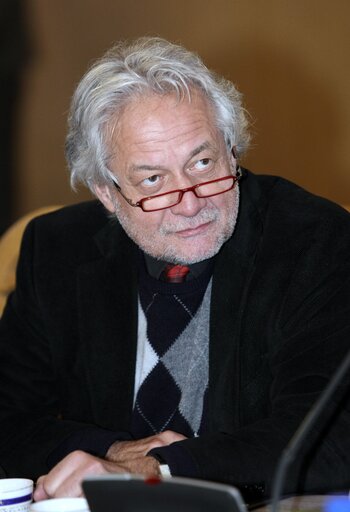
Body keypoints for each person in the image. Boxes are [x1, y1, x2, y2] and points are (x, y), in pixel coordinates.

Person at [0, 37, 349, 504]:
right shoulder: (57, 249)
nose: (189, 202)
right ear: (107, 192)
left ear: (232, 149)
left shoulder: (315, 240)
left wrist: (157, 469)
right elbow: (8, 417)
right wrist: (112, 454)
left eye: (203, 163)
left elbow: (327, 436)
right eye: (152, 180)